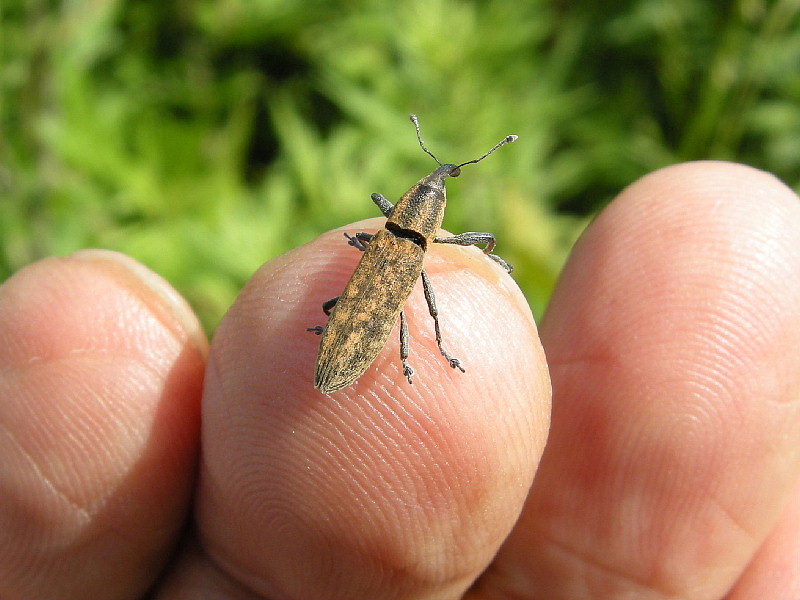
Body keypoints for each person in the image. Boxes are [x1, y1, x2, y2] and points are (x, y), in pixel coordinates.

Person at [1, 161, 798, 599]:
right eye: (431, 196)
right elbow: (426, 289)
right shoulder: (405, 246)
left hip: (371, 291)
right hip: (364, 307)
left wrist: (475, 259)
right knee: (420, 319)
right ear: (419, 210)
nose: (431, 200)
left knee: (413, 315)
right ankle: (414, 357)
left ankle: (408, 355)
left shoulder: (394, 240)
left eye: (435, 195)